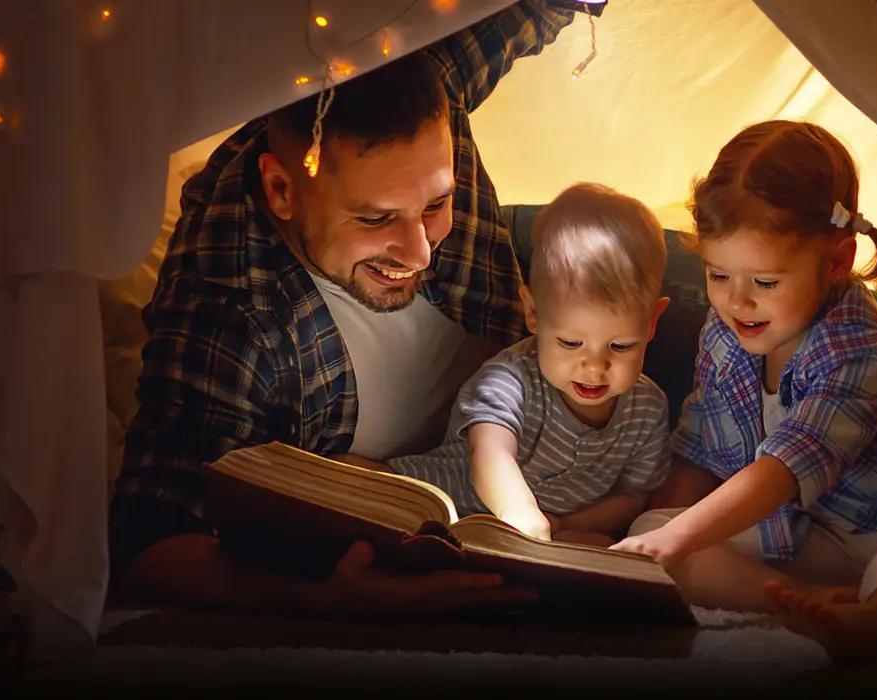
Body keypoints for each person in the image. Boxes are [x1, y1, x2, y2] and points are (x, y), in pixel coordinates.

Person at [108, 1, 584, 621]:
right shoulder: (227, 304)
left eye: (437, 204)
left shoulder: (423, 88)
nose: (419, 251)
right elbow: (148, 538)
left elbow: (531, 8)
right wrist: (321, 601)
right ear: (282, 191)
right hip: (425, 489)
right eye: (375, 218)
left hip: (545, 371)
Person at [611, 120, 877, 664]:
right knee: (660, 536)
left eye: (764, 283)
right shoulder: (723, 337)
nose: (737, 302)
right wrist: (650, 540)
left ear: (836, 261)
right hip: (813, 533)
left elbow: (785, 469)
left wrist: (675, 539)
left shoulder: (864, 348)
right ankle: (811, 603)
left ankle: (876, 621)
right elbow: (699, 451)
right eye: (718, 276)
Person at [343, 183, 672, 548]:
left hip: (551, 530)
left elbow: (632, 496)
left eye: (621, 346)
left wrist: (563, 524)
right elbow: (491, 451)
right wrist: (519, 514)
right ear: (533, 312)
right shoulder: (508, 379)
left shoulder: (648, 410)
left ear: (652, 323)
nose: (594, 367)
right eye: (570, 343)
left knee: (597, 545)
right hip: (452, 501)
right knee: (361, 487)